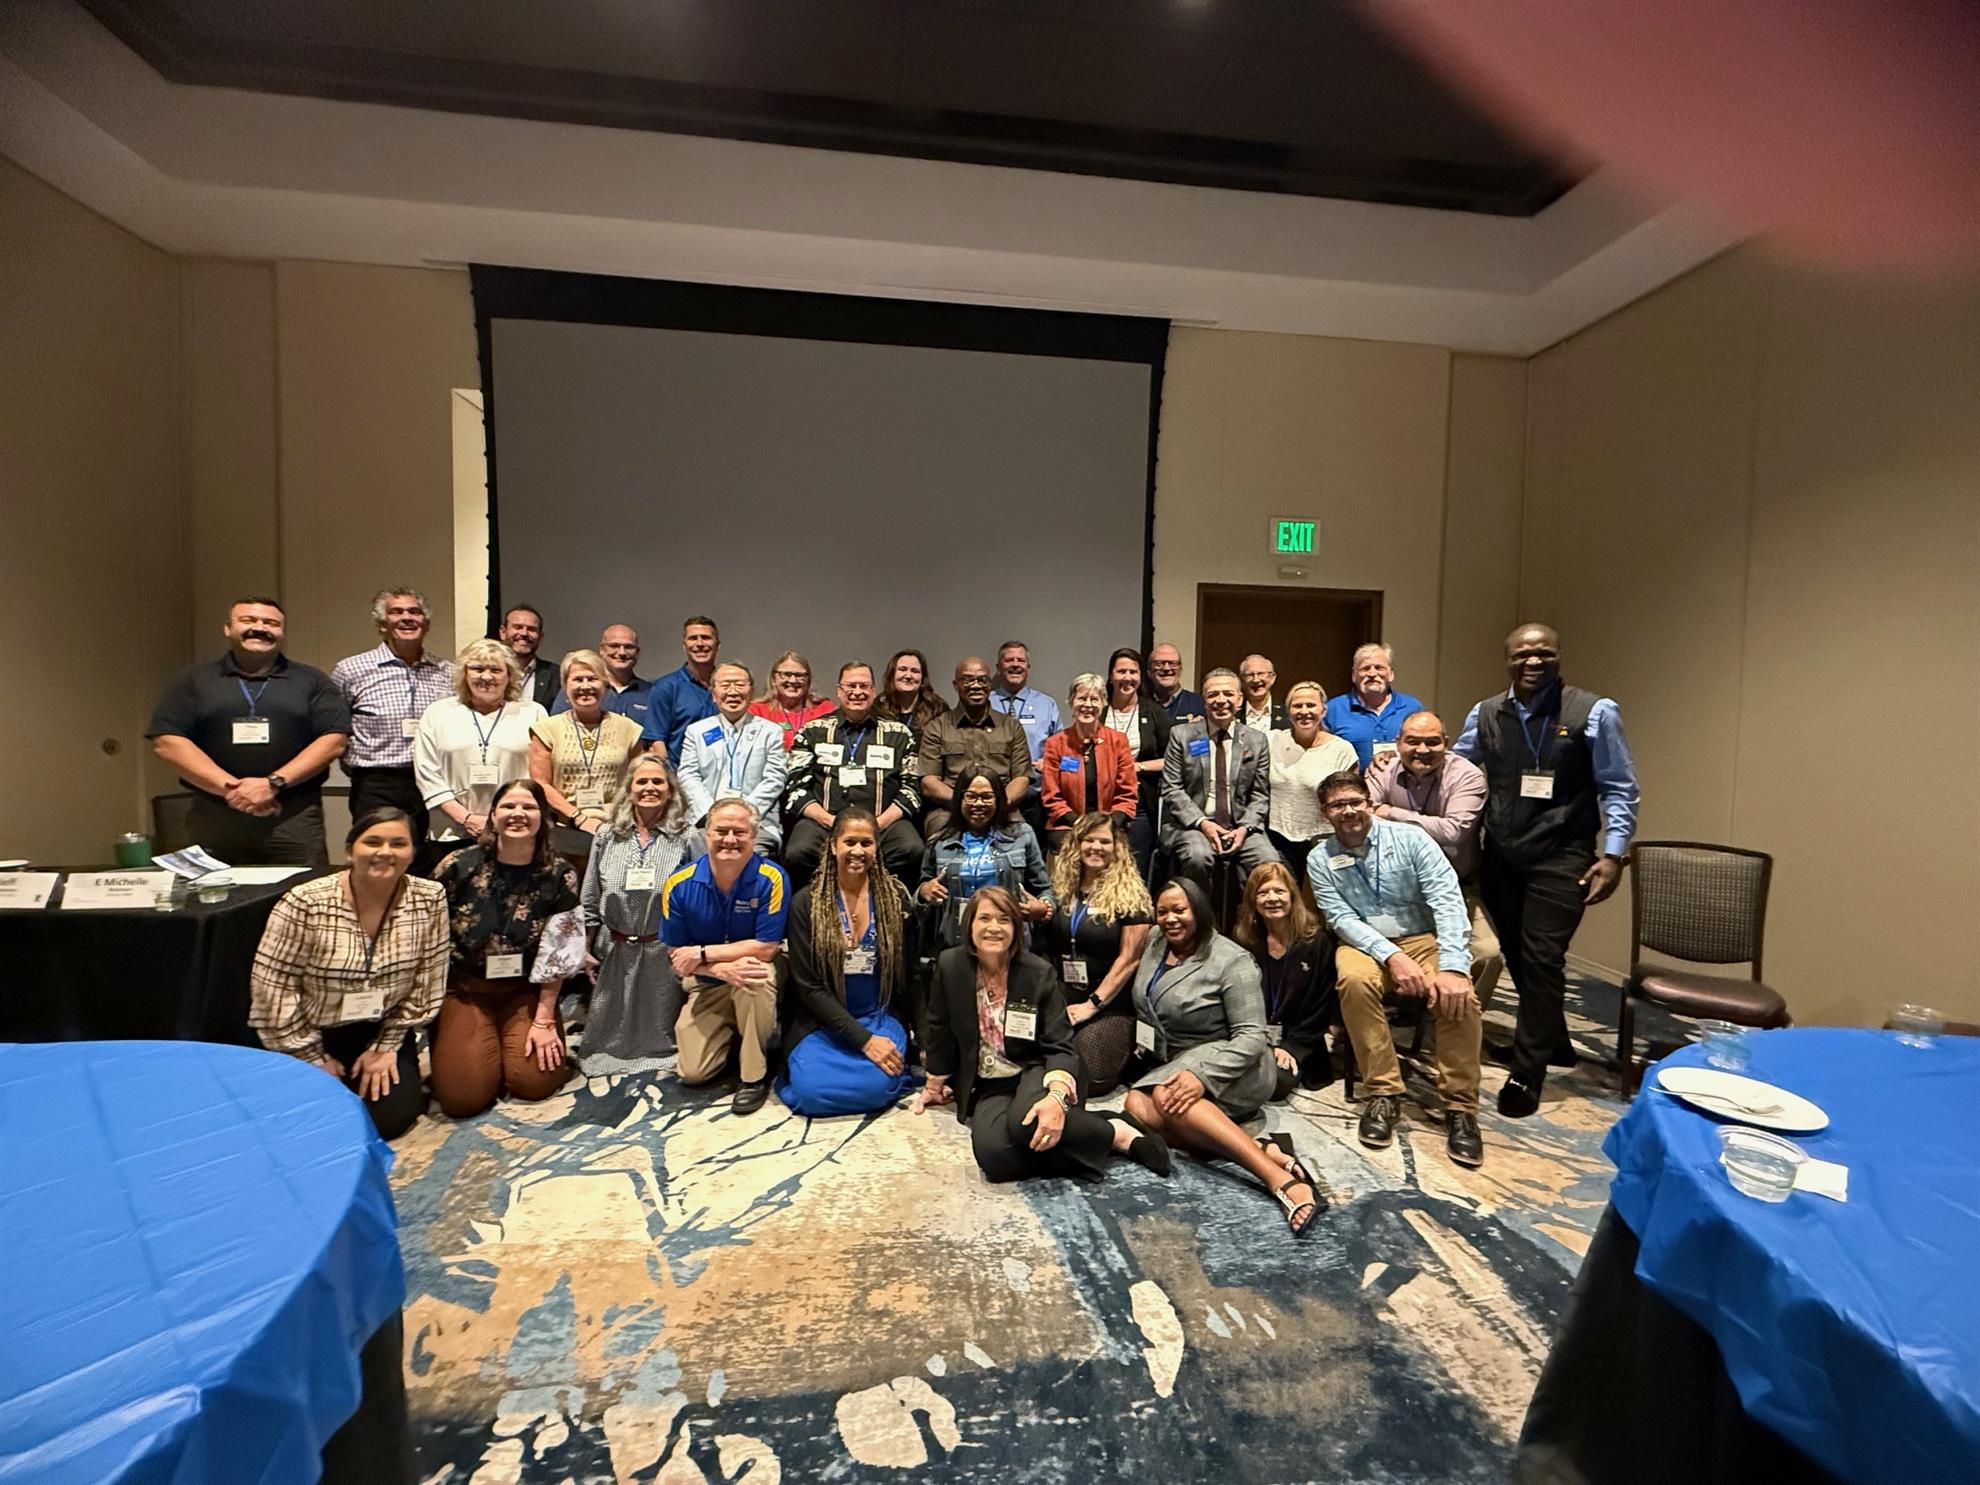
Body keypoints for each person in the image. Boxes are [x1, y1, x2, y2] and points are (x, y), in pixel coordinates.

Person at [1454, 623, 1639, 1118]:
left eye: (1543, 653)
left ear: (1559, 656)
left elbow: (1619, 787)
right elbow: (1458, 769)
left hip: (1563, 855)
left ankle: (1527, 1071)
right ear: (1508, 659)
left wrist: (1613, 855)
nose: (1532, 662)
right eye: (1522, 654)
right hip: (1502, 854)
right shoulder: (1485, 713)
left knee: (1542, 957)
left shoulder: (1593, 712)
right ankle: (1553, 1041)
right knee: (1516, 952)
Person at [918, 886, 1170, 1183]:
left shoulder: (1038, 972)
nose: (993, 927)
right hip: (991, 1082)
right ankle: (1097, 1127)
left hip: (1039, 1067)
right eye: (984, 918)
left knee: (1026, 1124)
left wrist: (1057, 1096)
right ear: (969, 924)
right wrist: (935, 1080)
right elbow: (940, 1025)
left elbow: (1060, 1045)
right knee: (994, 1158)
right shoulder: (950, 965)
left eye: (1004, 919)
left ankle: (1119, 1135)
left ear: (1016, 927)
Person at [1307, 770, 1485, 1167]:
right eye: (1338, 805)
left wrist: (1454, 967)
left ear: (1370, 803)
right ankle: (1383, 1092)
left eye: (1355, 801)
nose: (1348, 811)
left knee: (1460, 995)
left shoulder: (1412, 839)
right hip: (1365, 942)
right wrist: (1391, 955)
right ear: (1324, 812)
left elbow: (1447, 900)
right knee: (1353, 981)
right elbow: (1340, 918)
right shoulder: (1319, 859)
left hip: (1423, 937)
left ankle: (1460, 1106)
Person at [1122, 879, 1320, 1236]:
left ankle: (1278, 1180)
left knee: (1167, 1097)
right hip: (1178, 1057)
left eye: (1179, 910)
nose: (1170, 919)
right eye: (1163, 911)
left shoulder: (1232, 961)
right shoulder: (1155, 941)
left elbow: (1252, 1037)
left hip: (1236, 1062)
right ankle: (1261, 1148)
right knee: (1136, 1104)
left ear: (1199, 910)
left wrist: (1202, 1077)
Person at [249, 806, 449, 1139]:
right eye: (373, 842)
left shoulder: (429, 898)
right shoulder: (305, 902)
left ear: (412, 853)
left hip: (382, 1027)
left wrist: (387, 1046)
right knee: (312, 1123)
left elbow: (428, 980)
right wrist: (310, 1058)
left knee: (389, 1120)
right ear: (349, 850)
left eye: (398, 843)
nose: (385, 852)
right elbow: (273, 986)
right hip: (313, 1029)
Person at [148, 596, 350, 866]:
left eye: (271, 623)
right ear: (228, 628)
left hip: (293, 816)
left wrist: (273, 784)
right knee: (212, 889)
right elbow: (167, 740)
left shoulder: (312, 680)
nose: (259, 628)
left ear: (282, 632)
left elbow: (334, 740)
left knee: (303, 889)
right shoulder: (195, 680)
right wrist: (233, 790)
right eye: (248, 620)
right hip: (215, 814)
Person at [430, 779, 580, 1116]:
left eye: (529, 807)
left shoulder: (560, 874)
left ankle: (505, 1040)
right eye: (508, 806)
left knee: (535, 1082)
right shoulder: (457, 865)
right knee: (463, 1099)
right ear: (493, 815)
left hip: (525, 990)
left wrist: (543, 1020)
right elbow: (428, 937)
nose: (518, 814)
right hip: (466, 990)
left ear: (544, 817)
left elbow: (560, 953)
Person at [778, 807, 917, 1116]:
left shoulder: (895, 900)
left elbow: (910, 976)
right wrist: (864, 1042)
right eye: (850, 842)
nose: (858, 851)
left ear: (877, 848)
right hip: (821, 1023)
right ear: (833, 846)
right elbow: (809, 988)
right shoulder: (805, 903)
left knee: (876, 1086)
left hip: (878, 1016)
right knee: (812, 1093)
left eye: (866, 843)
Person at [1367, 709, 1504, 1010]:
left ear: (1446, 743)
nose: (1422, 750)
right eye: (1412, 741)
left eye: (1432, 742)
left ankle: (1459, 1016)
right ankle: (1409, 1008)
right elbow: (1365, 819)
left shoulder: (1467, 775)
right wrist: (1417, 823)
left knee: (1488, 953)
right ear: (1398, 742)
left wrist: (1391, 812)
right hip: (1396, 890)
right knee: (1359, 948)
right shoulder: (1382, 770)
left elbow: (1453, 832)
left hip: (1457, 887)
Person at [660, 797, 790, 1114]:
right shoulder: (678, 884)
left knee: (755, 975)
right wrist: (720, 970)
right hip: (707, 984)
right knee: (693, 1073)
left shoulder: (773, 878)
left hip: (755, 973)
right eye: (721, 831)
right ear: (706, 834)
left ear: (754, 837)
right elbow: (677, 956)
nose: (730, 839)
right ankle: (738, 1034)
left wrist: (703, 953)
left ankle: (753, 1075)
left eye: (739, 832)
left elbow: (766, 947)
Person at [578, 754, 699, 1075]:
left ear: (671, 790)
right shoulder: (606, 835)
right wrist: (585, 947)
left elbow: (701, 898)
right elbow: (590, 896)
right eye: (641, 781)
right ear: (628, 789)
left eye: (658, 781)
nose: (649, 787)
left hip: (663, 950)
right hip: (614, 948)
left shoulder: (687, 837)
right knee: (606, 1038)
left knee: (662, 1033)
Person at [331, 588, 456, 868]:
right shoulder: (351, 670)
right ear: (382, 624)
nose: (407, 618)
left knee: (429, 861)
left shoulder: (448, 672)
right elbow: (336, 729)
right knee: (379, 857)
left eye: (415, 612)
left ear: (426, 623)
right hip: (377, 783)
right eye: (396, 612)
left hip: (432, 783)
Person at [782, 662, 923, 887]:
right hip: (825, 822)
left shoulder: (899, 734)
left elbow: (911, 790)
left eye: (864, 686)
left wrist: (877, 824)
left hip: (882, 823)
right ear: (839, 691)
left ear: (873, 691)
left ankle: (888, 902)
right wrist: (830, 821)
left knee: (911, 848)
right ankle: (816, 902)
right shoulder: (813, 731)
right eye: (851, 686)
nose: (857, 692)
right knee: (798, 851)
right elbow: (795, 788)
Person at [1040, 814, 1152, 1097]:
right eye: (1088, 840)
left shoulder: (1132, 894)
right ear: (1076, 845)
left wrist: (1092, 1005)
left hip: (1110, 1005)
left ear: (1117, 847)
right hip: (1065, 997)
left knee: (1088, 1073)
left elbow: (1130, 960)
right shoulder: (1063, 888)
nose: (1096, 847)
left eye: (1104, 841)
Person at [415, 638, 547, 862]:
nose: (486, 677)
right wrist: (466, 818)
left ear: (509, 675)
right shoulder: (437, 713)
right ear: (464, 674)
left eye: (496, 670)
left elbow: (537, 775)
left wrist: (504, 817)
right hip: (451, 830)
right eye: (478, 669)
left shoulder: (532, 713)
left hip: (515, 828)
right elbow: (426, 773)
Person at [1160, 669, 1280, 892]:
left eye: (1228, 694)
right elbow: (1172, 789)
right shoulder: (1181, 735)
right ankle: (1200, 912)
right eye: (1213, 694)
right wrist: (1203, 824)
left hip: (1241, 825)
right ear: (1204, 700)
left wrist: (1244, 829)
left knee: (1269, 862)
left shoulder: (1257, 740)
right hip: (1192, 825)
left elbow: (1260, 794)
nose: (1221, 700)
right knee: (1197, 856)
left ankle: (1249, 915)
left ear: (1240, 699)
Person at [1231, 861, 1338, 1099]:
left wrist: (1290, 1048)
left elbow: (1321, 1005)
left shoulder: (1316, 942)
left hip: (1299, 1039)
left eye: (1279, 891)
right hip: (1253, 1036)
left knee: (1275, 1083)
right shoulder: (1244, 940)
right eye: (1263, 893)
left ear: (1292, 895)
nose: (1272, 898)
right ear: (1253, 900)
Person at [917, 770, 1053, 950]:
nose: (979, 803)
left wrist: (1043, 908)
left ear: (998, 799)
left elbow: (1044, 890)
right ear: (959, 799)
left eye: (987, 797)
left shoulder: (1022, 835)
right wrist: (924, 891)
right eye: (971, 796)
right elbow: (922, 890)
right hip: (955, 944)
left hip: (1009, 943)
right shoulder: (939, 842)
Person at [529, 649, 645, 843]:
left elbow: (638, 780)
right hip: (564, 829)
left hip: (618, 828)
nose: (585, 686)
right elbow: (541, 784)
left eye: (592, 679)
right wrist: (578, 818)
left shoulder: (629, 729)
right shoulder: (546, 730)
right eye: (577, 679)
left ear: (605, 684)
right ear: (565, 686)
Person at [676, 662, 790, 851]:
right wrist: (712, 815)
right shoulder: (697, 731)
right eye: (725, 685)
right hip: (705, 821)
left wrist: (744, 814)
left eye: (739, 685)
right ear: (714, 694)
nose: (733, 692)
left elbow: (775, 778)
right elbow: (688, 775)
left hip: (757, 822)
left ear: (751, 692)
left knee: (754, 854)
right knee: (698, 851)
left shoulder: (771, 732)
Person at [918, 656, 1033, 839]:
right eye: (968, 680)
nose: (976, 685)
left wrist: (995, 804)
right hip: (950, 811)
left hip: (1003, 809)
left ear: (989, 685)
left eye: (982, 680)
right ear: (956, 685)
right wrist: (966, 803)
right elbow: (929, 782)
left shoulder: (1011, 726)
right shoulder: (937, 727)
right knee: (938, 837)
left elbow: (1022, 779)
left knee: (1025, 836)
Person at [1265, 681, 1360, 878]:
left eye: (1311, 705)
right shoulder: (1272, 740)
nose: (1304, 711)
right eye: (1297, 706)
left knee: (1321, 895)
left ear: (1323, 710)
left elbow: (1350, 802)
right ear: (1288, 711)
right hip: (1278, 839)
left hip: (1324, 839)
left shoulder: (1342, 750)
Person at [1039, 674, 1138, 851]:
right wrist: (1080, 824)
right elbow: (1051, 796)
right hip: (1068, 825)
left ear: (1103, 704)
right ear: (1071, 702)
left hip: (1110, 823)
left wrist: (1107, 824)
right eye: (1082, 698)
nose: (1088, 705)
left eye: (1094, 699)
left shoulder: (1118, 741)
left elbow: (1127, 793)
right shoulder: (1056, 744)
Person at [1103, 647, 1172, 875]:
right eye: (1121, 671)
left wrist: (1137, 767)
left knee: (1134, 868)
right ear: (1111, 675)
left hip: (1141, 801)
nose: (1127, 677)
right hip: (1102, 800)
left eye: (1133, 672)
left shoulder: (1153, 712)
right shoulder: (1099, 710)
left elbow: (1172, 758)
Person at [1324, 643, 1424, 769]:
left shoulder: (1412, 707)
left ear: (1391, 674)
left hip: (1403, 780)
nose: (1372, 673)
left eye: (1379, 668)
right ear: (1354, 675)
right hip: (1354, 781)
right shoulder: (1334, 709)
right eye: (1365, 669)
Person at [642, 615, 722, 762]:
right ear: (684, 645)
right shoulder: (665, 688)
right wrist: (670, 774)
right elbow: (656, 743)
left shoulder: (727, 686)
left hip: (723, 773)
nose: (700, 643)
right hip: (679, 772)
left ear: (718, 644)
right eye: (693, 638)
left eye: (706, 638)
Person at [552, 624, 655, 731]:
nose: (622, 652)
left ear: (637, 653)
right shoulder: (580, 690)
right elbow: (556, 728)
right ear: (602, 649)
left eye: (629, 647)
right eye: (614, 646)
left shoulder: (652, 693)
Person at [750, 650, 836, 748]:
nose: (793, 680)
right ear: (773, 679)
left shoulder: (825, 710)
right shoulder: (756, 712)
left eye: (800, 675)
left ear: (808, 681)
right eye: (786, 674)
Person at [876, 648, 948, 744]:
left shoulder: (937, 710)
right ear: (892, 675)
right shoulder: (877, 708)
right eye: (902, 669)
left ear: (923, 678)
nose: (908, 676)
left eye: (915, 671)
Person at [499, 603, 560, 710]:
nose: (524, 633)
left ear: (540, 637)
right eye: (518, 627)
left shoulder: (557, 676)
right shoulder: (487, 672)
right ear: (503, 632)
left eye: (531, 629)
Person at [1145, 643, 1206, 721]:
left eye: (1173, 663)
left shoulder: (1200, 704)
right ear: (1149, 671)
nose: (1166, 668)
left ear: (1180, 670)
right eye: (1159, 664)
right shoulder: (1139, 704)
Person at [1238, 654, 1290, 733]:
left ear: (1272, 678)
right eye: (1249, 675)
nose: (1256, 680)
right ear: (1241, 680)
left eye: (1261, 674)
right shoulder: (1233, 716)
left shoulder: (1287, 714)